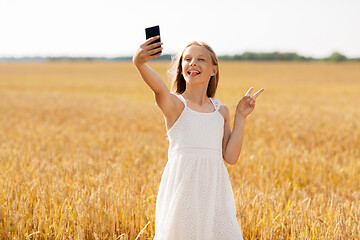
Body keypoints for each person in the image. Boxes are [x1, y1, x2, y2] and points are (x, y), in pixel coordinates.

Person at [133, 35, 264, 240]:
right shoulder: (175, 106)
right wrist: (139, 63)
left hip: (214, 192)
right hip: (182, 191)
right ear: (181, 67)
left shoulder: (221, 111)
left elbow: (230, 157)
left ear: (214, 69)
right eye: (187, 59)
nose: (192, 63)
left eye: (201, 59)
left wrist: (240, 117)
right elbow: (159, 88)